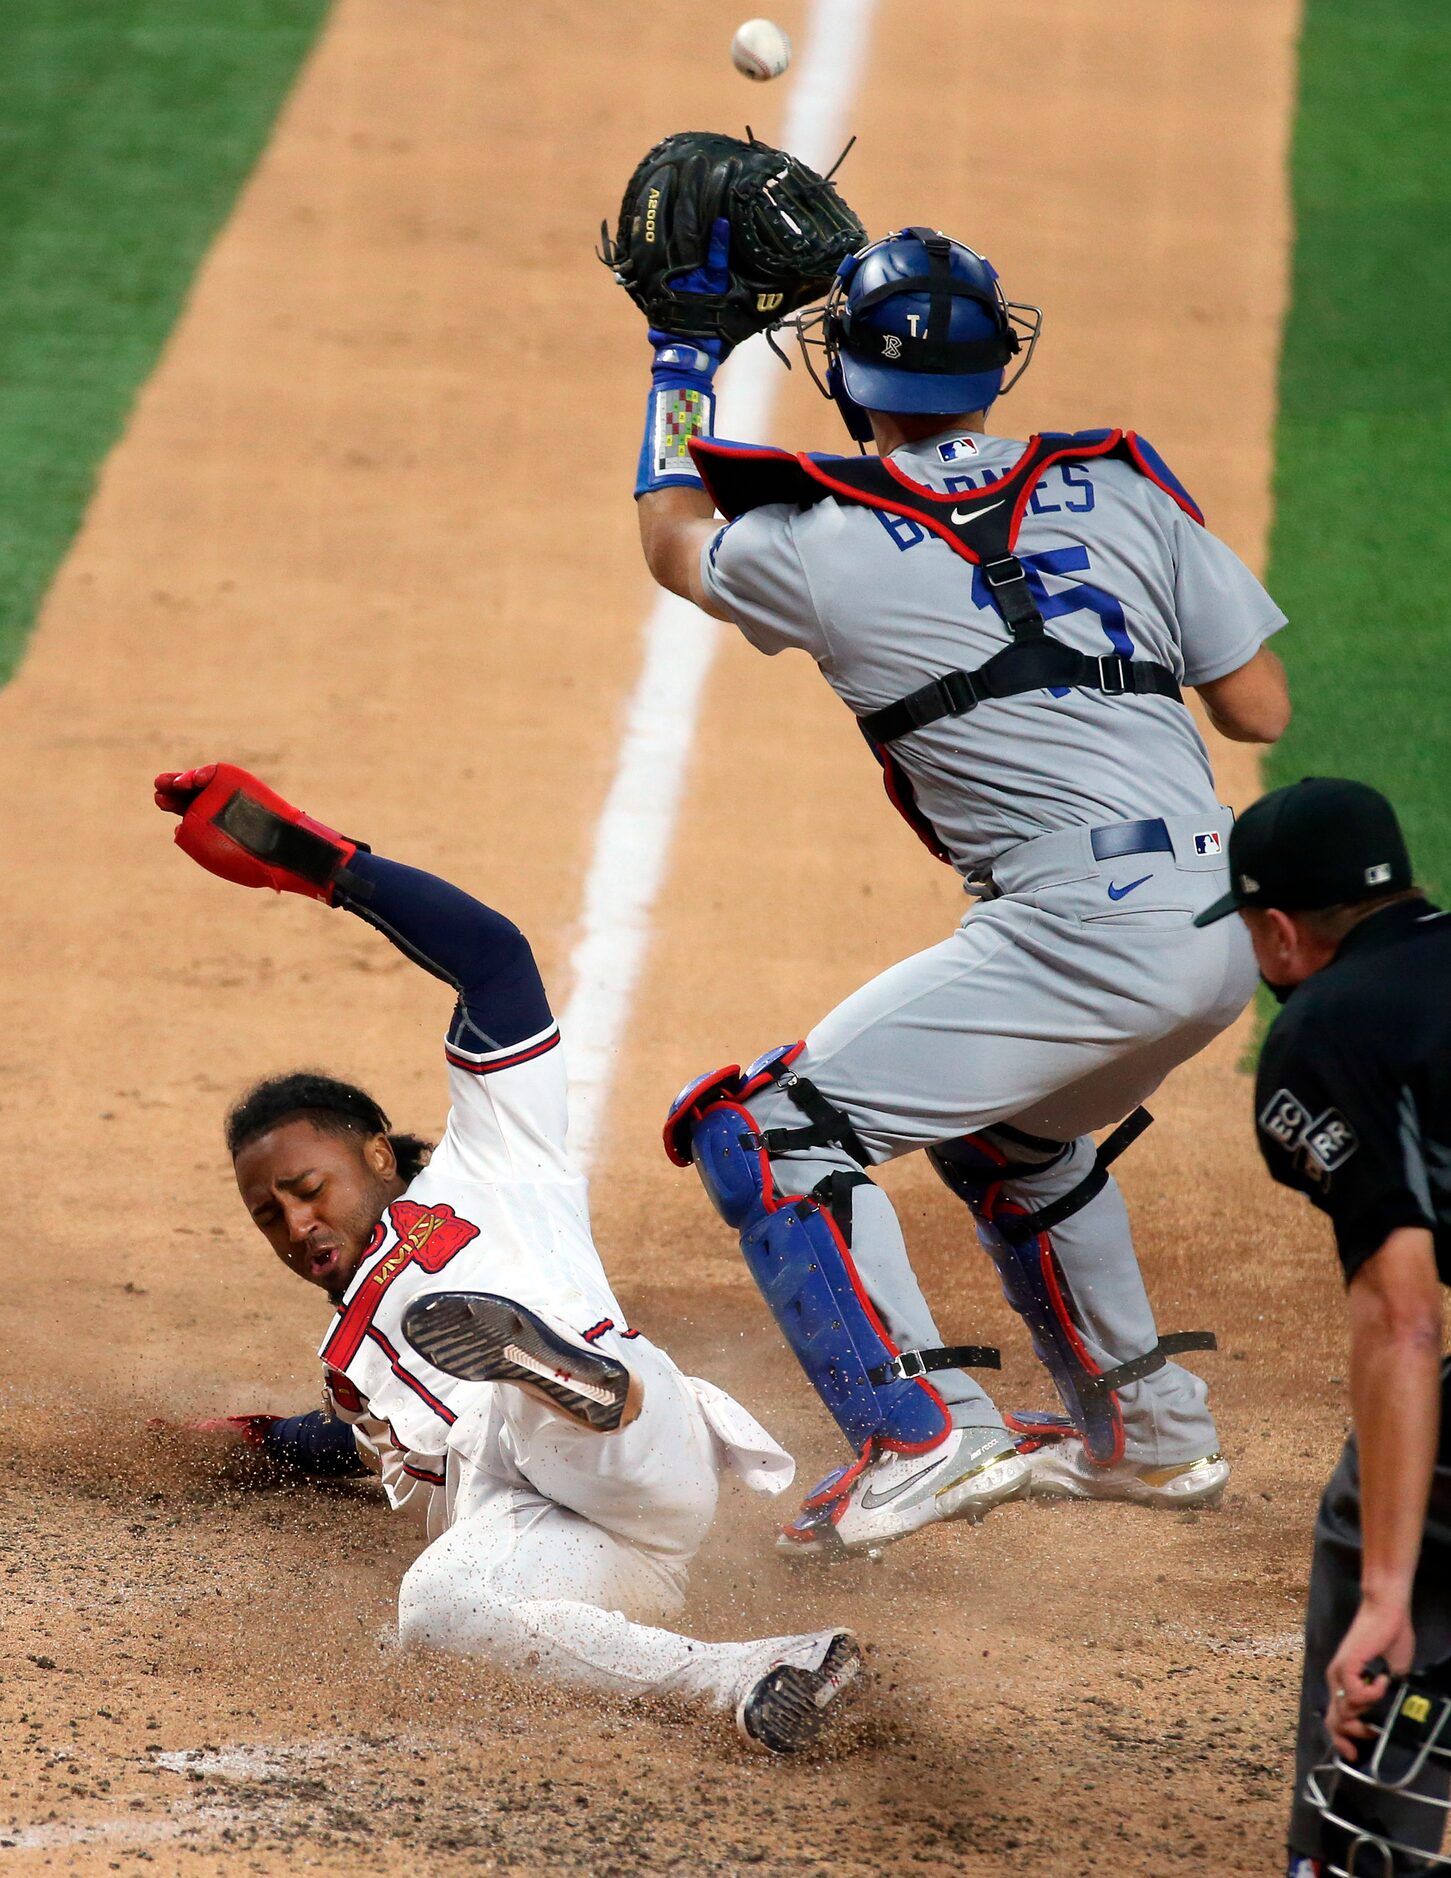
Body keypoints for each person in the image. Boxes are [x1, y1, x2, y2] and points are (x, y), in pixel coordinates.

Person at [631, 225, 1292, 1558]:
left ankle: (918, 1430)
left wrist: (681, 357)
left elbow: (669, 538)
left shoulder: (816, 537)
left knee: (761, 1129)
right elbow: (1256, 705)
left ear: (846, 382)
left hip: (1074, 930)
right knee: (1010, 1141)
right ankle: (1144, 1431)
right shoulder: (1120, 490)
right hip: (1220, 918)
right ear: (999, 363)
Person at [152, 762, 862, 1753]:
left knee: (509, 1402)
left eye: (305, 1188)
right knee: (435, 1609)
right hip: (595, 1547)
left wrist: (322, 865)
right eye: (267, 1215)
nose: (293, 1223)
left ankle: (554, 1371)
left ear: (370, 1152)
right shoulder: (351, 1370)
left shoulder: (491, 1161)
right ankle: (756, 1675)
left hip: (631, 1438)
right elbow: (337, 1450)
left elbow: (495, 962)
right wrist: (207, 1442)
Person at [1194, 777, 1451, 1875]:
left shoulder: (1324, 1029)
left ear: (1279, 931)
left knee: (1392, 1528)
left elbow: (1403, 1319)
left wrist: (1391, 1592)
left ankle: (1352, 1857)